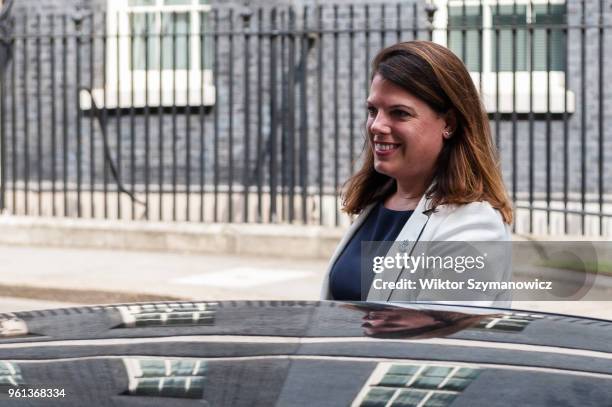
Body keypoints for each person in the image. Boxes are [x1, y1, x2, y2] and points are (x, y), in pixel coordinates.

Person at [320, 41, 513, 304]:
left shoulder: (473, 226)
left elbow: (438, 339)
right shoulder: (377, 204)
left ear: (449, 123)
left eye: (399, 113)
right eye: (373, 110)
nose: (377, 125)